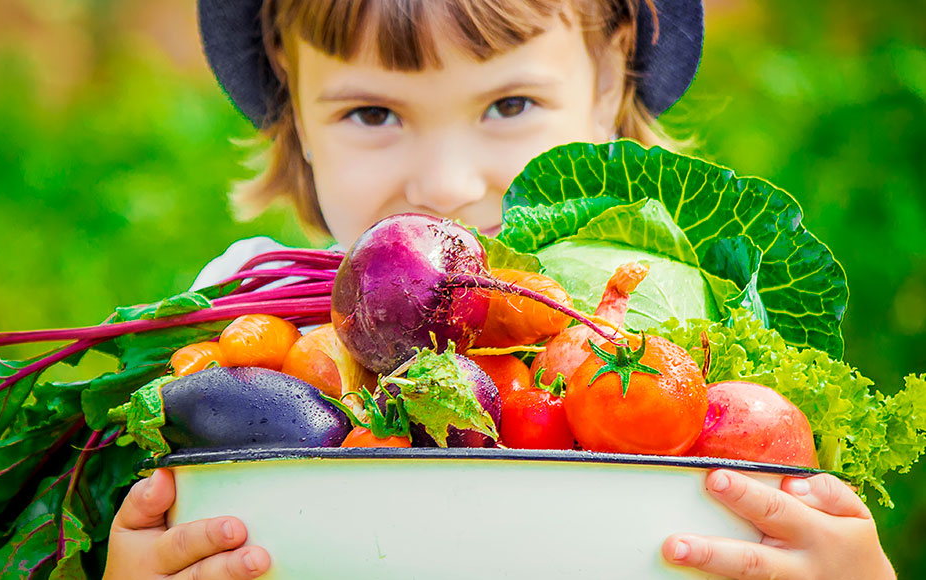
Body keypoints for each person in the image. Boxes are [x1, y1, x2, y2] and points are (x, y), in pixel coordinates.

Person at [102, 0, 898, 578]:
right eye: (372, 112)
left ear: (610, 71)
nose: (444, 186)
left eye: (508, 104)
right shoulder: (244, 314)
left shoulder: (698, 341)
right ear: (294, 97)